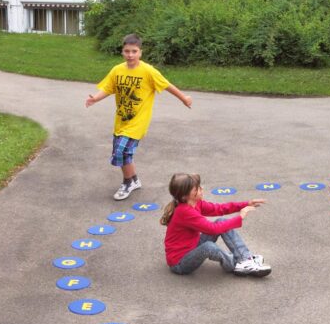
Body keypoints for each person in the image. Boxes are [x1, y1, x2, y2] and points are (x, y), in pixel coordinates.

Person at [85, 34, 192, 200]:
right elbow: (108, 87)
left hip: (138, 122)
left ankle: (127, 183)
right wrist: (95, 98)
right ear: (122, 52)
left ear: (140, 52)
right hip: (121, 120)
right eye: (127, 51)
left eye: (134, 51)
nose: (130, 55)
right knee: (124, 153)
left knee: (121, 151)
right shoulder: (117, 70)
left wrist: (184, 98)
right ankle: (134, 179)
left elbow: (167, 85)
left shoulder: (148, 71)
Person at [161, 173, 272, 278]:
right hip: (180, 262)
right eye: (197, 188)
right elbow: (212, 229)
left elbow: (219, 208)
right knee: (209, 247)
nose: (201, 189)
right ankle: (235, 265)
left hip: (193, 246)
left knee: (221, 221)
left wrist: (245, 204)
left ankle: (245, 258)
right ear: (185, 196)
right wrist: (240, 217)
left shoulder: (195, 203)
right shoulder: (184, 211)